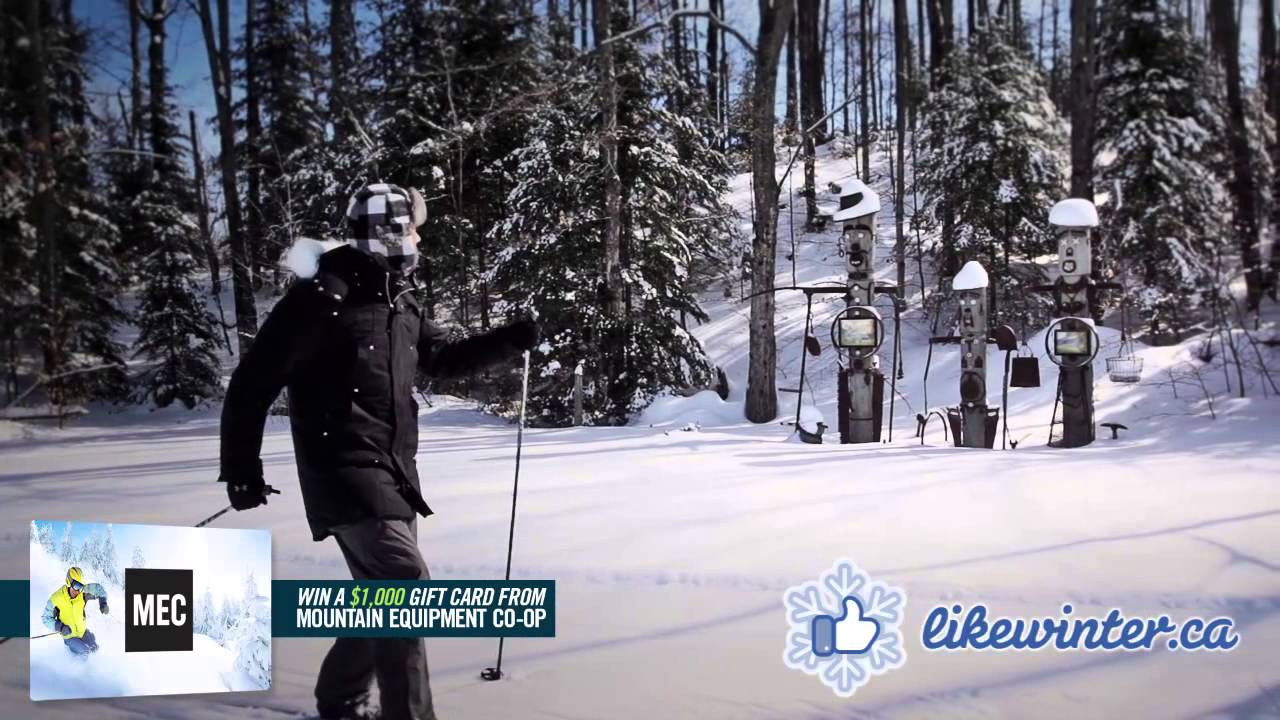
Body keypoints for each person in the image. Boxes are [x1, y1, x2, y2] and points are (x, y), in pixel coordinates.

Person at [219, 183, 538, 720]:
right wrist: (241, 469)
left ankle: (340, 700)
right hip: (340, 470)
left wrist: (508, 341)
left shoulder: (399, 297)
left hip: (394, 474)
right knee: (405, 591)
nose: (416, 237)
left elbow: (443, 360)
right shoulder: (321, 297)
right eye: (409, 227)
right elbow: (253, 381)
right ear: (387, 231)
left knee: (387, 599)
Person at [42, 566, 108, 655]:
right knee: (85, 652)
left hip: (82, 632)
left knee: (95, 649)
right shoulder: (56, 599)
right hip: (70, 637)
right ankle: (79, 667)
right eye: (76, 586)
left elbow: (99, 589)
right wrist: (60, 627)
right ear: (69, 582)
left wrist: (103, 603)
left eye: (81, 586)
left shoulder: (82, 592)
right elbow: (46, 618)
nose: (78, 591)